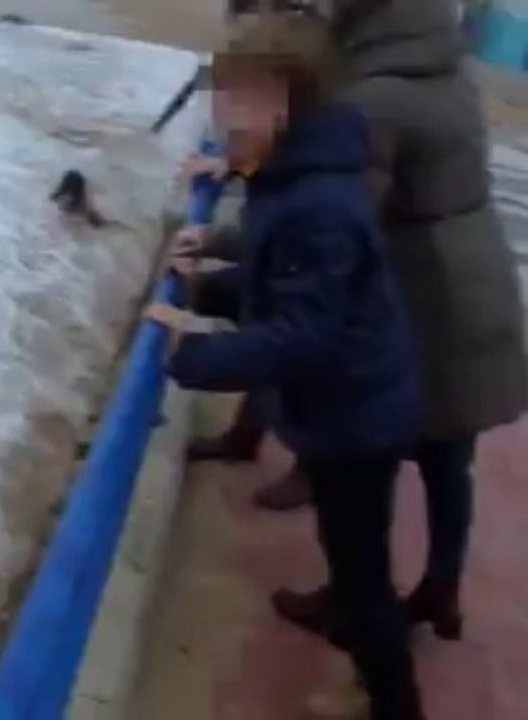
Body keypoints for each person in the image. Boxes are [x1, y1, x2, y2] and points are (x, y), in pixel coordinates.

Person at [180, 0, 528, 642]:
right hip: (476, 285)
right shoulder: (442, 68)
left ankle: (355, 598)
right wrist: (238, 164)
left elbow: (322, 226)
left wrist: (221, 241)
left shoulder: (377, 95)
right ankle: (440, 589)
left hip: (428, 296)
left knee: (369, 445)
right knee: (448, 456)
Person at [147, 12, 425, 719]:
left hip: (358, 416)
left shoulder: (317, 204)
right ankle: (374, 662)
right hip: (349, 403)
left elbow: (301, 332)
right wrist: (206, 286)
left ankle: (397, 704)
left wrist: (192, 350)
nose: (221, 118)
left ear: (282, 99)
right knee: (353, 556)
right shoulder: (287, 172)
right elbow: (279, 285)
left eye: (234, 101)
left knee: (362, 576)